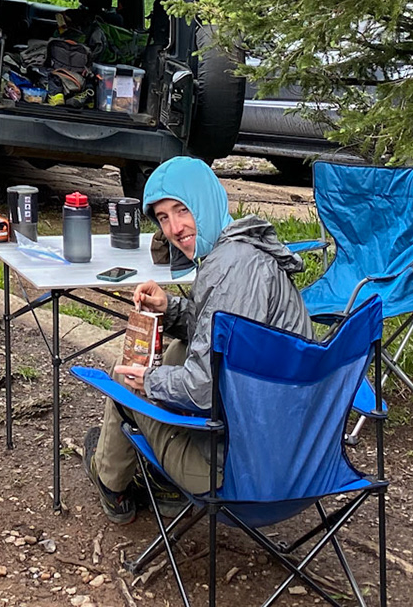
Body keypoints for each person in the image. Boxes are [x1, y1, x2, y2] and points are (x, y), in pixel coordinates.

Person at [84, 156, 312, 520]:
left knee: (124, 378)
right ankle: (144, 473)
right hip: (294, 452)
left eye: (181, 210)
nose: (174, 228)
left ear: (204, 201)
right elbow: (220, 335)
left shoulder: (229, 273)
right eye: (163, 217)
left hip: (239, 475)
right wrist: (169, 309)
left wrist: (147, 379)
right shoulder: (244, 253)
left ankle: (112, 484)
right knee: (178, 349)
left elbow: (204, 389)